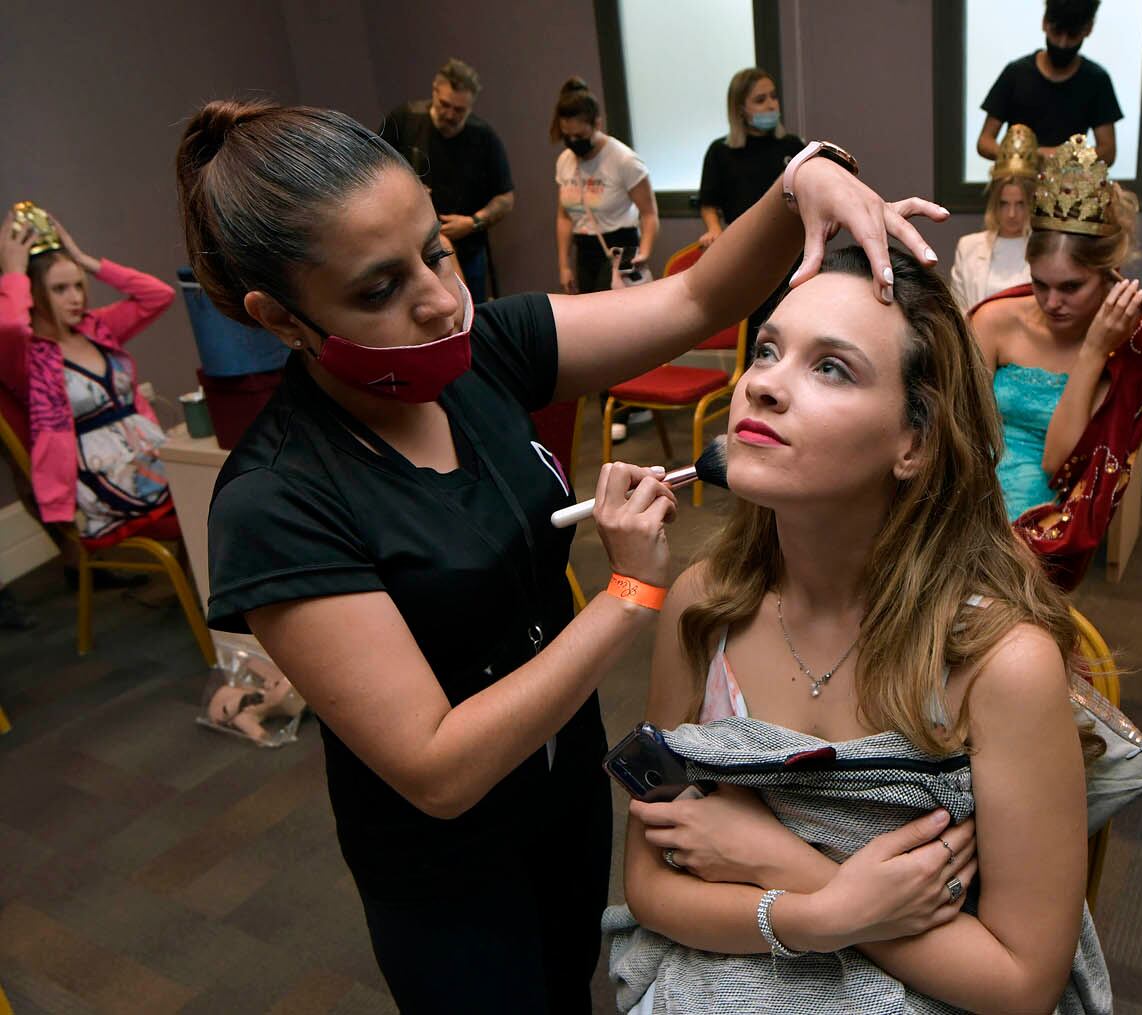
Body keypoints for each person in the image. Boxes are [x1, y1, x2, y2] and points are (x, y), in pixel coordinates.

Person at [176, 97, 944, 1012]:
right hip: (448, 866)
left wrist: (799, 180)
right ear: (282, 315)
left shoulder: (480, 351)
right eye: (378, 290)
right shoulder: (280, 498)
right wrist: (626, 594)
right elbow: (437, 765)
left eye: (437, 250)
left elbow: (695, 298)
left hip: (563, 794)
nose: (437, 299)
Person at [606, 245, 1107, 1015]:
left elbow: (1022, 985)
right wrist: (821, 910)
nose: (763, 383)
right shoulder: (704, 607)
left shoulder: (1000, 663)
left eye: (831, 367)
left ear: (916, 442)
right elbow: (648, 885)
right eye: (767, 349)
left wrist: (780, 861)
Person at [968, 136, 1142, 590]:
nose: (1052, 302)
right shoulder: (997, 321)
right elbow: (959, 428)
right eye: (1040, 284)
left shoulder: (1125, 347)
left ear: (1108, 274)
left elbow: (1059, 463)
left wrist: (1094, 349)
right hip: (971, 494)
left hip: (1045, 516)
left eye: (1071, 287)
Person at [0, 206, 180, 565]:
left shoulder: (97, 327)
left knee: (216, 480)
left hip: (151, 458)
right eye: (60, 289)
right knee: (211, 494)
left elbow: (158, 295)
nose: (76, 298)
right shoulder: (28, 357)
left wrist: (84, 259)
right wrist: (14, 274)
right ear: (34, 295)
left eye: (78, 286)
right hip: (104, 481)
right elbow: (9, 328)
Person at [553, 76, 660, 441]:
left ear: (597, 125)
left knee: (613, 333)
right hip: (586, 249)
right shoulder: (565, 162)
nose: (574, 143)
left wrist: (644, 252)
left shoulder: (623, 160)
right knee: (587, 330)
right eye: (567, 135)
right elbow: (565, 215)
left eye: (580, 136)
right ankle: (616, 404)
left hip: (620, 247)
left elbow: (649, 213)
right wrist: (564, 263)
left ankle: (625, 408)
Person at [378, 58, 514, 300]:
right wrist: (407, 189)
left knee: (473, 316)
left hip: (469, 251)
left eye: (459, 110)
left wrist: (473, 223)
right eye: (444, 105)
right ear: (434, 91)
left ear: (471, 106)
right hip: (415, 250)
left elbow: (506, 198)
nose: (450, 115)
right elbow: (375, 170)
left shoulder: (484, 137)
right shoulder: (405, 119)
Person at [975, 0, 1123, 166]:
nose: (1062, 43)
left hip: (1069, 187)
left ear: (1088, 29)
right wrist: (1024, 156)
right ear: (1045, 23)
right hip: (1019, 183)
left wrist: (1063, 156)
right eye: (1057, 32)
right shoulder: (1016, 73)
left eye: (1072, 35)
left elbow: (1108, 151)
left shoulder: (1096, 80)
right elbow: (984, 142)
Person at [697, 68, 806, 249]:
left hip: (790, 245)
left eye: (773, 96)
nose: (771, 105)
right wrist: (714, 229)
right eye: (760, 100)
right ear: (740, 110)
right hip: (743, 246)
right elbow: (708, 204)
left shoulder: (792, 146)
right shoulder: (720, 151)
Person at [951, 123, 1040, 313]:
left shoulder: (1045, 248)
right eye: (1004, 203)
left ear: (1032, 204)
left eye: (1020, 204)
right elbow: (958, 313)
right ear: (994, 204)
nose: (1011, 214)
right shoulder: (968, 248)